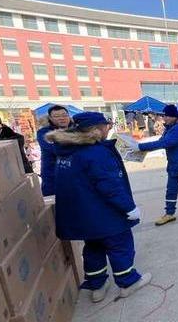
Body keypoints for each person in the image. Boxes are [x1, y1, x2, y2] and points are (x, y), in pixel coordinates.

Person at [46, 112, 151, 302]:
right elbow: (109, 185)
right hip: (104, 213)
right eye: (105, 126)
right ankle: (128, 281)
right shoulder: (95, 153)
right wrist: (129, 208)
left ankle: (98, 286)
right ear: (96, 129)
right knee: (120, 246)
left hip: (83, 215)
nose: (108, 128)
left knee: (93, 247)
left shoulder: (66, 151)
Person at [37, 104, 72, 196]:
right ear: (50, 119)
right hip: (53, 176)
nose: (62, 118)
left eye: (64, 115)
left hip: (75, 176)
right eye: (56, 116)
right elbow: (57, 150)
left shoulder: (76, 130)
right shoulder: (44, 133)